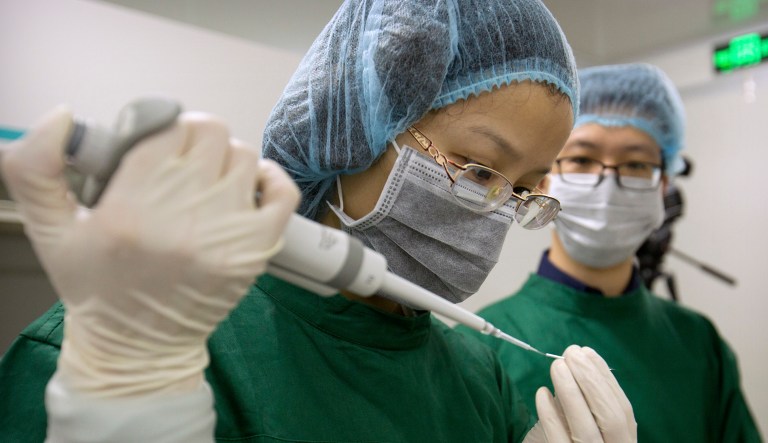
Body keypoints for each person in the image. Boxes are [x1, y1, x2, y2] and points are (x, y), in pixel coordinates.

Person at [0, 1, 637, 442]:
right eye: (476, 170)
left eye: (524, 191)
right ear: (358, 125)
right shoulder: (139, 341)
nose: (496, 210)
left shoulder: (476, 374)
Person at [458, 63, 762, 442]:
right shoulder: (481, 346)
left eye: (636, 164)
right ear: (545, 178)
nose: (607, 181)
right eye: (583, 159)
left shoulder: (698, 343)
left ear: (663, 184)